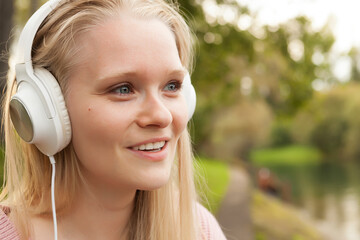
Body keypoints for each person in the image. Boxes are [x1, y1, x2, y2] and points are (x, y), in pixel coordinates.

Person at [0, 0, 227, 240]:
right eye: (123, 89)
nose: (162, 116)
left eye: (172, 86)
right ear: (47, 108)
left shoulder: (199, 230)